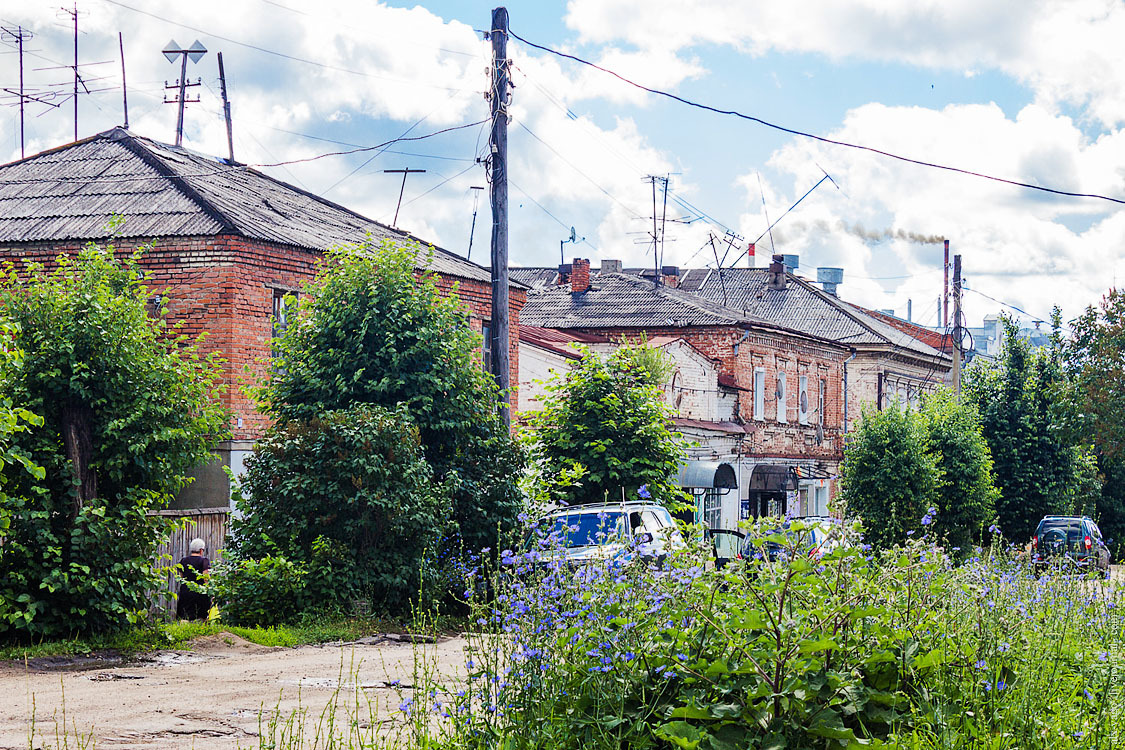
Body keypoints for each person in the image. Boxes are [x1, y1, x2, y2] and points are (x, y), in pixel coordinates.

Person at [175, 538, 212, 620]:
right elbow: (206, 577)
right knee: (202, 616)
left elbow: (182, 577)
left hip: (186, 592)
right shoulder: (204, 561)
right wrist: (210, 590)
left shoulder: (183, 561)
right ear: (201, 550)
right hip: (200, 592)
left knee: (184, 616)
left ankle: (183, 631)